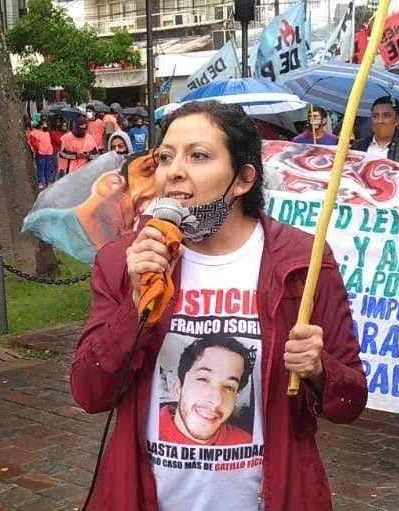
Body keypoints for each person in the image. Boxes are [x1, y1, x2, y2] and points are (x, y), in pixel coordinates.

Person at [70, 100, 366, 510]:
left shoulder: (303, 261)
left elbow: (350, 402)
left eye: (199, 156)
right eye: (165, 157)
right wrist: (136, 304)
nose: (174, 170)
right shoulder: (125, 259)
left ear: (243, 179)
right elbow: (90, 393)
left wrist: (318, 369)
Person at [159, 336, 255, 445]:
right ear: (178, 388)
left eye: (229, 387)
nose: (216, 400)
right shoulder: (142, 433)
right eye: (203, 379)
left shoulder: (246, 442)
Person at [351, 96, 399, 162]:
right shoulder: (357, 147)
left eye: (386, 116)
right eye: (375, 116)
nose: (380, 121)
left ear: (397, 120)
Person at [28, 119, 54, 189]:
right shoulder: (35, 133)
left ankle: (47, 181)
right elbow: (33, 142)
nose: (46, 126)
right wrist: (39, 149)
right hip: (40, 153)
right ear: (41, 125)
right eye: (45, 124)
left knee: (47, 168)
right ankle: (40, 182)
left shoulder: (47, 133)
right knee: (41, 168)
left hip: (48, 153)